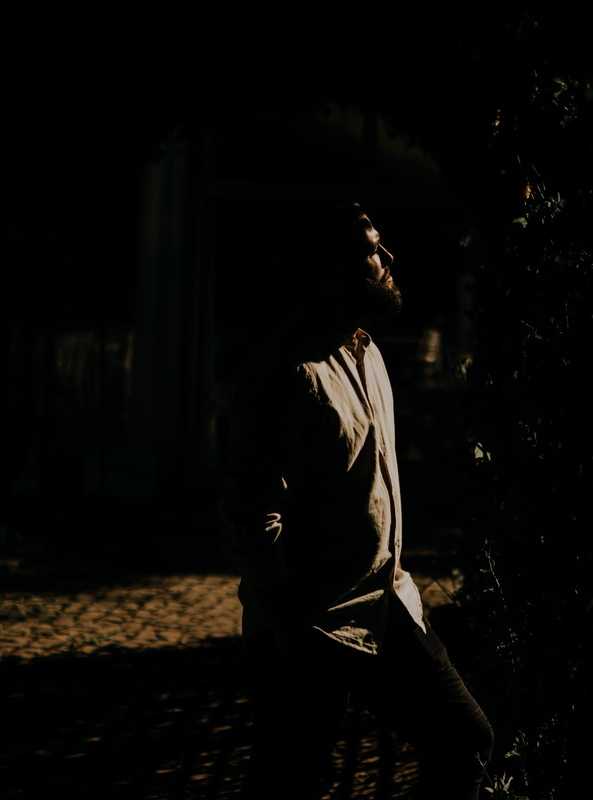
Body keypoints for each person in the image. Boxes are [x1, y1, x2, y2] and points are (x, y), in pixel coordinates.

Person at [220, 200, 493, 798]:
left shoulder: (366, 350)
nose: (388, 257)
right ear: (332, 274)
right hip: (314, 627)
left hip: (386, 606)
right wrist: (288, 628)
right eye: (371, 250)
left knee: (465, 744)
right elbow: (247, 514)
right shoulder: (290, 374)